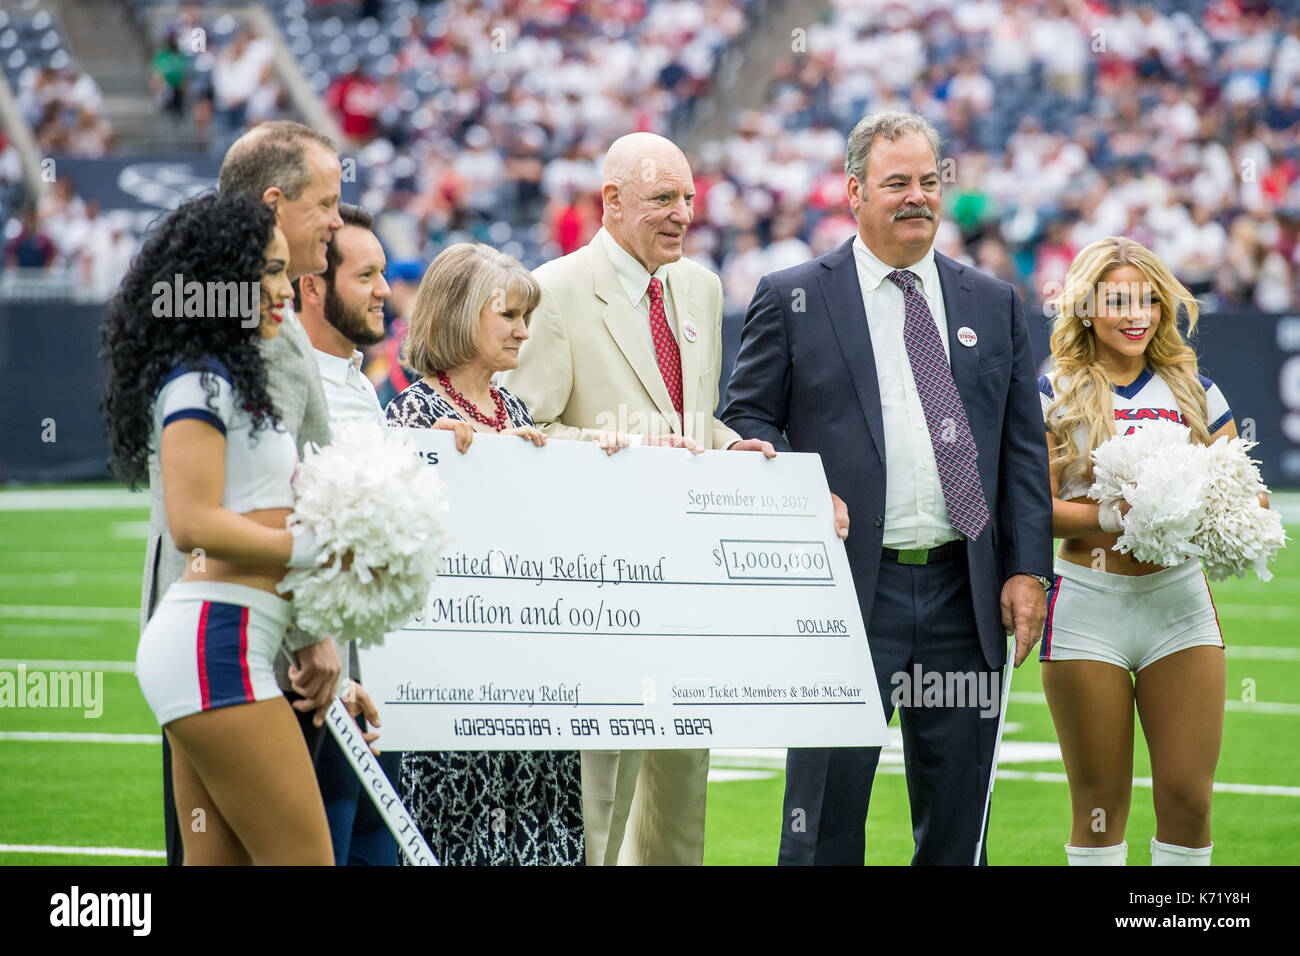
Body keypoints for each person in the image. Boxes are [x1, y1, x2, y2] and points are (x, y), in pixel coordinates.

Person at [721, 110, 1053, 865]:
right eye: (896, 182)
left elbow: (1023, 452)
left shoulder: (993, 303)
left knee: (958, 820)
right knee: (825, 818)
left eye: (929, 182)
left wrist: (1029, 568)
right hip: (845, 595)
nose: (916, 198)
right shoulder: (794, 294)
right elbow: (745, 415)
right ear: (854, 192)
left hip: (960, 597)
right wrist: (802, 490)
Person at [500, 131, 779, 867]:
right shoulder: (553, 289)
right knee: (600, 803)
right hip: (599, 591)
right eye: (663, 199)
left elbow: (687, 422)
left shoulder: (700, 286)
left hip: (686, 590)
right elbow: (521, 433)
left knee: (680, 807)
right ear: (612, 202)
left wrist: (729, 447)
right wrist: (610, 453)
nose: (682, 213)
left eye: (688, 198)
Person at [102, 191, 332, 864]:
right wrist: (310, 550)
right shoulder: (197, 382)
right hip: (214, 647)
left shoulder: (231, 376)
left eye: (285, 271)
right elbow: (193, 522)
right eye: (265, 271)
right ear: (218, 283)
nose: (283, 290)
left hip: (216, 648)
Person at [1039, 236, 1249, 866]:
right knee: (1099, 808)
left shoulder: (1195, 391)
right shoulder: (1055, 392)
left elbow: (1246, 495)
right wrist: (1117, 511)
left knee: (1189, 800)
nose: (1136, 315)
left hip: (1178, 606)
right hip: (1087, 607)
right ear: (1084, 307)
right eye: (1118, 300)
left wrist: (1216, 510)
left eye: (1149, 300)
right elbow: (1034, 508)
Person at [386, 241, 583, 866]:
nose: (524, 331)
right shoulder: (412, 414)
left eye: (526, 316)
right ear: (460, 313)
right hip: (453, 680)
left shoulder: (517, 410)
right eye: (509, 316)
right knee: (453, 835)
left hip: (532, 673)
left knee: (544, 834)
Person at [294, 201, 400, 865]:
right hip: (314, 679)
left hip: (372, 681)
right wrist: (317, 641)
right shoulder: (290, 386)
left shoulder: (360, 382)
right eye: (367, 276)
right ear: (313, 286)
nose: (385, 290)